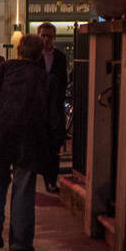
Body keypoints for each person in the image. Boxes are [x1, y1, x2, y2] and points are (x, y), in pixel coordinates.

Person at [0, 35, 64, 251]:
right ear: (39, 54)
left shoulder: (3, 70)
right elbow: (54, 117)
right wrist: (56, 141)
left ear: (18, 50)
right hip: (30, 138)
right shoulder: (46, 80)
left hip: (0, 133)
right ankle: (20, 242)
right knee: (23, 186)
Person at [37, 23, 69, 193]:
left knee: (53, 146)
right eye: (43, 36)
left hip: (54, 109)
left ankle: (51, 180)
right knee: (41, 146)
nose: (46, 39)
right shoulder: (34, 57)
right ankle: (45, 177)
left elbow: (62, 81)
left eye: (49, 36)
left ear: (54, 37)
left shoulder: (60, 57)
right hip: (39, 109)